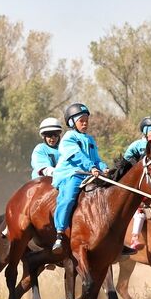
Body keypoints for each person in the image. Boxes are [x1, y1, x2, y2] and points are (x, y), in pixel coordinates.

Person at [50, 103, 107, 257]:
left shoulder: (90, 139)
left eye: (86, 120)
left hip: (89, 173)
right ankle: (60, 234)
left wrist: (104, 168)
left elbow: (96, 159)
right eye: (81, 120)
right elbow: (76, 156)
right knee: (68, 198)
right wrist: (91, 167)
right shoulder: (69, 137)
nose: (85, 123)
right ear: (71, 122)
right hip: (71, 174)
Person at [122, 115, 151, 251]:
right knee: (141, 209)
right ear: (146, 131)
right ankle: (134, 239)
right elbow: (125, 162)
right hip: (139, 184)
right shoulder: (137, 145)